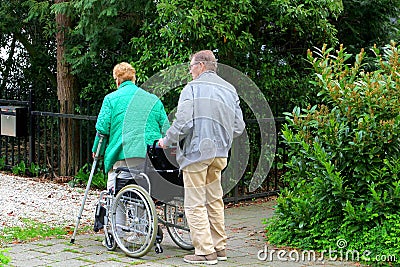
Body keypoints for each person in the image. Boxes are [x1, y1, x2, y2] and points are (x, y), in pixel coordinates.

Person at [158, 50, 245, 265]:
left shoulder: (192, 89)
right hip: (219, 154)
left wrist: (166, 141)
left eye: (191, 66)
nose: (190, 71)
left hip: (196, 154)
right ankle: (220, 248)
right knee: (214, 200)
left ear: (201, 66)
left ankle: (205, 252)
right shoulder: (229, 89)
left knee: (195, 204)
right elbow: (239, 127)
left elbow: (184, 123)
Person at [92, 61, 169, 196]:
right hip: (149, 158)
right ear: (134, 79)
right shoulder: (153, 100)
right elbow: (166, 130)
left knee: (116, 195)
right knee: (142, 197)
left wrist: (96, 152)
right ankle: (143, 216)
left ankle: (117, 216)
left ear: (117, 80)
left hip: (121, 156)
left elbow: (102, 130)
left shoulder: (111, 99)